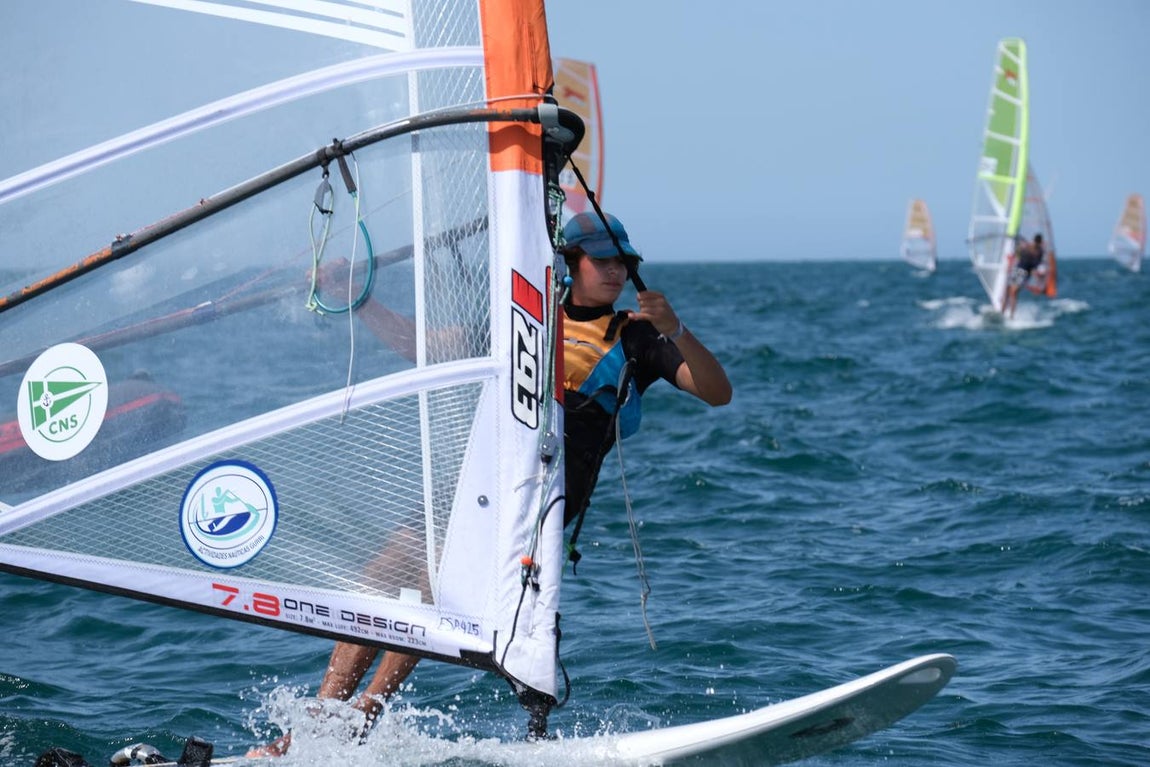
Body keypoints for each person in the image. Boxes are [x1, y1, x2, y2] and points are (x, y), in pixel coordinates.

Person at [248, 211, 732, 756]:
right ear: (572, 264)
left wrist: (677, 330)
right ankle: (323, 725)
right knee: (387, 575)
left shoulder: (636, 336)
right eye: (603, 261)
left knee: (436, 586)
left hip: (545, 493)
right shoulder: (527, 319)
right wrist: (356, 298)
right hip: (483, 475)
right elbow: (423, 345)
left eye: (623, 263)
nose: (616, 272)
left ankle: (360, 716)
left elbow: (717, 392)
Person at [1004, 232, 1045, 318]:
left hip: (1025, 273)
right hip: (1018, 269)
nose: (1036, 244)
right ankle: (1003, 310)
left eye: (1038, 243)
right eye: (1036, 242)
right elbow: (1019, 251)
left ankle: (1011, 315)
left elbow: (1036, 264)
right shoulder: (1028, 246)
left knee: (1014, 292)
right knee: (1009, 290)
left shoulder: (1039, 252)